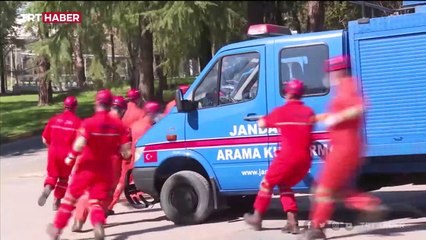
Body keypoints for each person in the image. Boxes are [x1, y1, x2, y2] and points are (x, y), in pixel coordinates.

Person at [301, 55, 386, 240]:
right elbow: (342, 112)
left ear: (337, 71)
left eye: (330, 73)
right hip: (343, 147)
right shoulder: (343, 88)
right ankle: (368, 203)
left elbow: (360, 107)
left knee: (323, 191)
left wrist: (336, 118)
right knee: (335, 190)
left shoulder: (347, 85)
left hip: (343, 149)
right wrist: (320, 118)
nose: (328, 77)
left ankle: (316, 229)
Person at [47, 89, 131, 240]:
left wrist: (70, 157)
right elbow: (126, 151)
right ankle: (98, 223)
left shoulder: (89, 123)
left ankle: (57, 229)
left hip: (87, 167)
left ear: (97, 103)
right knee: (96, 201)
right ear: (110, 104)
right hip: (106, 170)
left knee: (70, 199)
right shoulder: (119, 126)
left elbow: (79, 144)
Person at [243, 80, 315, 234]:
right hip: (305, 160)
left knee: (266, 183)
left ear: (288, 93)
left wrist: (265, 118)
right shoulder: (309, 112)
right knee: (284, 184)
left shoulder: (281, 111)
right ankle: (293, 223)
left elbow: (262, 124)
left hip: (287, 159)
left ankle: (257, 217)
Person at [71, 95, 130, 232]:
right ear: (122, 111)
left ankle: (78, 220)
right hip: (111, 165)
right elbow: (125, 153)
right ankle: (98, 220)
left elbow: (80, 141)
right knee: (106, 193)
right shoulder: (122, 127)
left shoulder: (93, 121)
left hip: (90, 161)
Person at [107, 101, 161, 212]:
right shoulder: (149, 127)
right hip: (134, 158)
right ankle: (108, 207)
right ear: (153, 113)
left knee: (120, 182)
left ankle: (108, 206)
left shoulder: (136, 124)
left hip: (126, 156)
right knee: (122, 183)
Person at [38, 96, 81, 211]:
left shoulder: (54, 119)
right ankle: (57, 201)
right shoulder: (78, 123)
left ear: (64, 106)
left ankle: (48, 187)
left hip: (53, 152)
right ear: (75, 107)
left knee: (52, 175)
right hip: (67, 155)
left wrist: (51, 148)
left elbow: (44, 139)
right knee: (63, 178)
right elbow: (80, 143)